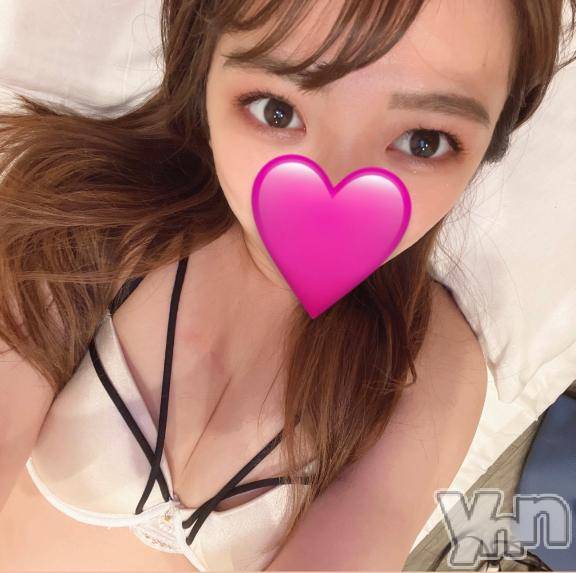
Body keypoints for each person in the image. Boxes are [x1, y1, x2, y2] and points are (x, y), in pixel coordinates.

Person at [0, 0, 575, 570]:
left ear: (490, 144)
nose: (333, 187)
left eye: (424, 140)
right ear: (202, 72)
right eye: (277, 111)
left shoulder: (421, 360)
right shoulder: (79, 219)